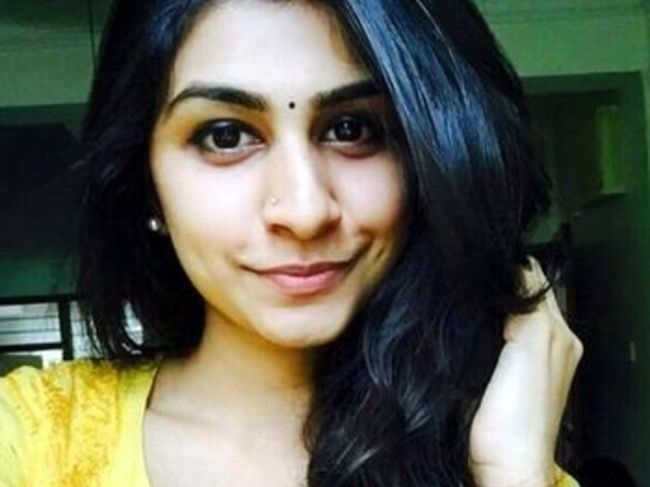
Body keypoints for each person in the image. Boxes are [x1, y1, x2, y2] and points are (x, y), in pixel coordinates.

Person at [0, 0, 584, 485]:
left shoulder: (514, 462)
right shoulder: (31, 438)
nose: (305, 212)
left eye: (352, 129)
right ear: (145, 184)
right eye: (225, 136)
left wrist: (510, 474)